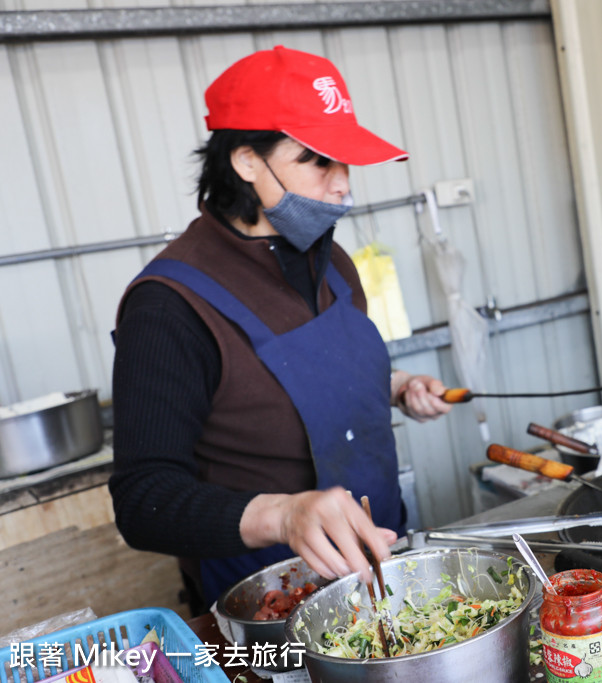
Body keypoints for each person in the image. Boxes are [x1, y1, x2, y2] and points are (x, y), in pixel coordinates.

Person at [108, 45, 451, 612]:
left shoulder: (331, 262)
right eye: (318, 160)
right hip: (273, 599)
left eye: (345, 162)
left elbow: (296, 383)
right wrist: (284, 514)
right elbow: (143, 500)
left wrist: (395, 386)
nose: (343, 185)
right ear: (246, 161)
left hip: (384, 564)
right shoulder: (170, 306)